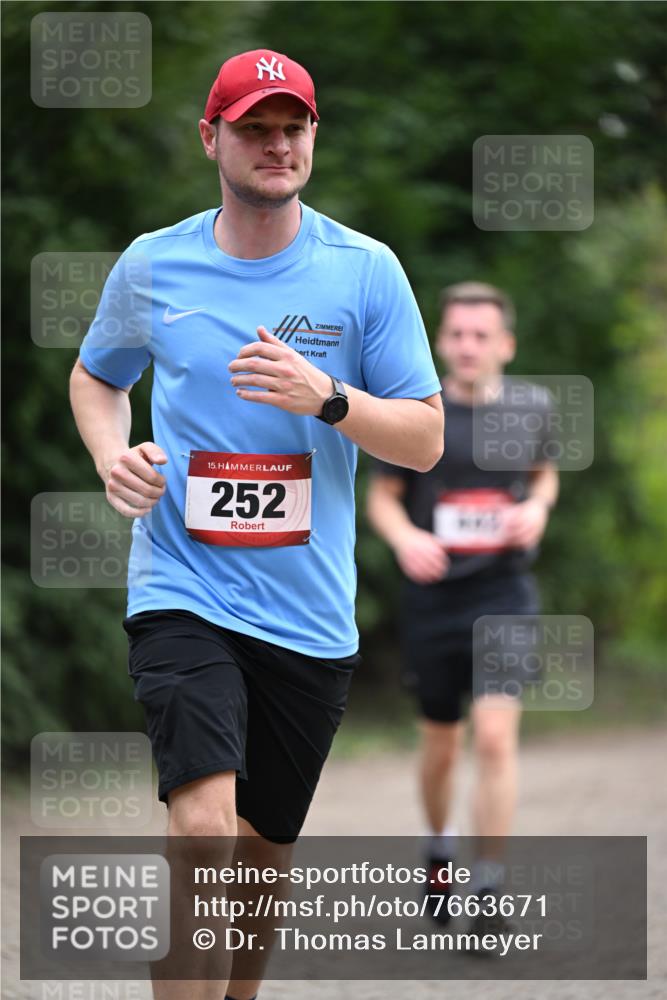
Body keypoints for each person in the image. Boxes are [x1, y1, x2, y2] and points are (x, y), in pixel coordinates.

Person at [69, 48, 443, 999]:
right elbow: (97, 378)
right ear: (212, 138)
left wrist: (329, 399)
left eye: (293, 126)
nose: (276, 144)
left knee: (259, 861)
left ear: (313, 136)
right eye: (254, 127)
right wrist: (113, 455)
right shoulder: (153, 264)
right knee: (202, 836)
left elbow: (427, 440)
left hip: (307, 616)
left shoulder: (365, 272)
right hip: (182, 587)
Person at [367, 281, 559, 933]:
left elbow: (542, 473)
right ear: (440, 341)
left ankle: (487, 884)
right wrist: (405, 537)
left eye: (481, 335)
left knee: (497, 738)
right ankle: (439, 848)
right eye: (456, 334)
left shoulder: (533, 406)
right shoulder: (418, 411)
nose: (467, 346)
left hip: (503, 592)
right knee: (442, 745)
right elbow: (384, 496)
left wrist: (536, 507)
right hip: (434, 597)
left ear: (504, 344)